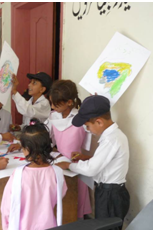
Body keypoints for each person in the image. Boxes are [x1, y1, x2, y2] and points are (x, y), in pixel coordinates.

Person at [56, 95, 130, 229]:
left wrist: (68, 165)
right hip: (109, 192)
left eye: (88, 126)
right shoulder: (112, 137)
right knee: (103, 225)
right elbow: (107, 162)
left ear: (99, 122)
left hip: (111, 195)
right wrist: (86, 158)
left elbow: (91, 169)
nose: (88, 130)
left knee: (106, 227)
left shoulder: (111, 140)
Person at [0, 118, 67, 230]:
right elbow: (61, 193)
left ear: (26, 149)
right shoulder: (57, 172)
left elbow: (6, 207)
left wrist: (6, 226)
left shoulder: (18, 175)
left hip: (23, 227)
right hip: (49, 225)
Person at [44, 79, 92, 219]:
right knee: (61, 198)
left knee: (75, 198)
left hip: (76, 162)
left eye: (56, 104)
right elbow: (47, 136)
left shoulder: (81, 118)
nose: (52, 107)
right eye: (51, 103)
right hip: (59, 161)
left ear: (69, 102)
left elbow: (89, 146)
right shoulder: (53, 116)